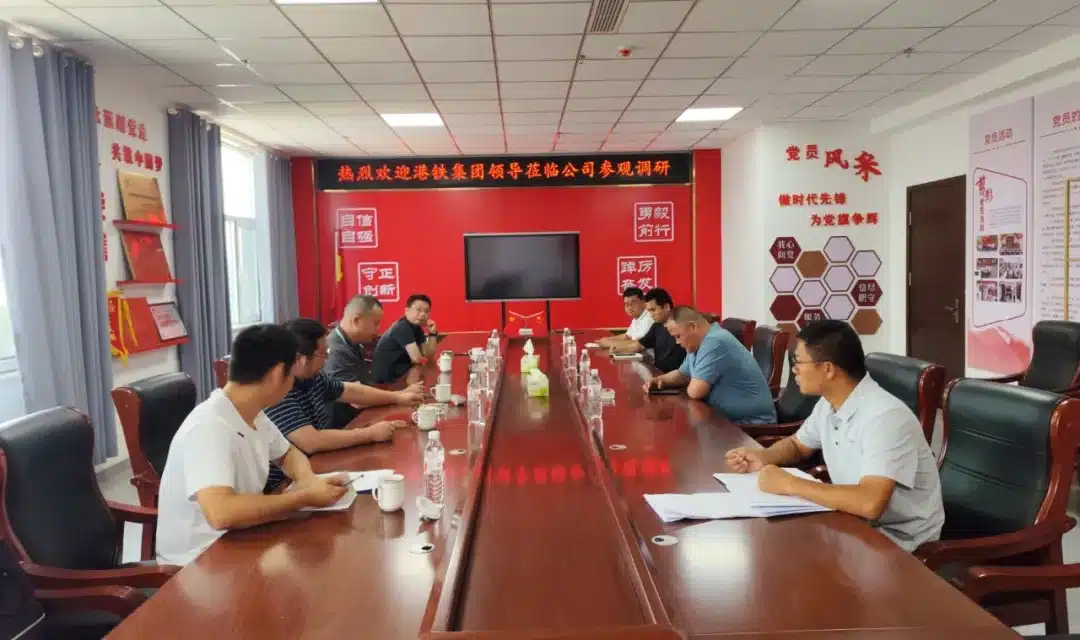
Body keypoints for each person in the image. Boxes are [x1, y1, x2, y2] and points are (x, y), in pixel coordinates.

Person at [725, 320, 944, 552]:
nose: (794, 370)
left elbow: (870, 503)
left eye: (798, 362)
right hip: (854, 524)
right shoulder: (829, 403)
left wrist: (789, 484)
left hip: (900, 544)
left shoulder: (885, 417)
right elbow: (798, 445)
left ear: (828, 369)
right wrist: (764, 457)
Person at [155, 324, 350, 566]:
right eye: (291, 374)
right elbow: (221, 512)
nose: (292, 382)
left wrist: (308, 480)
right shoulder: (209, 426)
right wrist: (305, 497)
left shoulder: (251, 412)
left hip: (241, 538)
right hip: (199, 561)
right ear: (278, 374)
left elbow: (289, 454)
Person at [264, 318, 424, 490]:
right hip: (282, 486)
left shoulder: (313, 377)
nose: (327, 359)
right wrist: (369, 434)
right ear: (300, 359)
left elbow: (351, 391)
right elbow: (311, 441)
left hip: (312, 468)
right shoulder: (277, 390)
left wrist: (398, 397)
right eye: (323, 354)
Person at [644, 306, 776, 425]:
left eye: (678, 336)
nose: (677, 342)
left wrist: (691, 382)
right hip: (724, 422)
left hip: (750, 424)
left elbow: (695, 392)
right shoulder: (698, 344)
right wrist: (660, 380)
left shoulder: (715, 341)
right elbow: (682, 374)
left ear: (693, 327)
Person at [325, 294, 383, 426]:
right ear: (356, 320)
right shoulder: (337, 350)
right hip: (341, 427)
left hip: (355, 418)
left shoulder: (355, 343)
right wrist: (398, 396)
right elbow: (357, 399)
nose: (378, 329)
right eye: (375, 323)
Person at [609, 288, 686, 372]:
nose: (651, 314)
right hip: (658, 372)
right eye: (649, 311)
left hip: (677, 375)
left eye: (653, 310)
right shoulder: (656, 326)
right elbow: (639, 345)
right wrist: (618, 350)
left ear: (666, 307)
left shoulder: (682, 325)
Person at [372, 293, 438, 383]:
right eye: (418, 310)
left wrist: (432, 333)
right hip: (387, 381)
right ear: (407, 311)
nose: (423, 314)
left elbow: (427, 354)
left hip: (402, 374)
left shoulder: (417, 327)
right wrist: (422, 358)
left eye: (426, 311)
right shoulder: (402, 327)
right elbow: (416, 358)